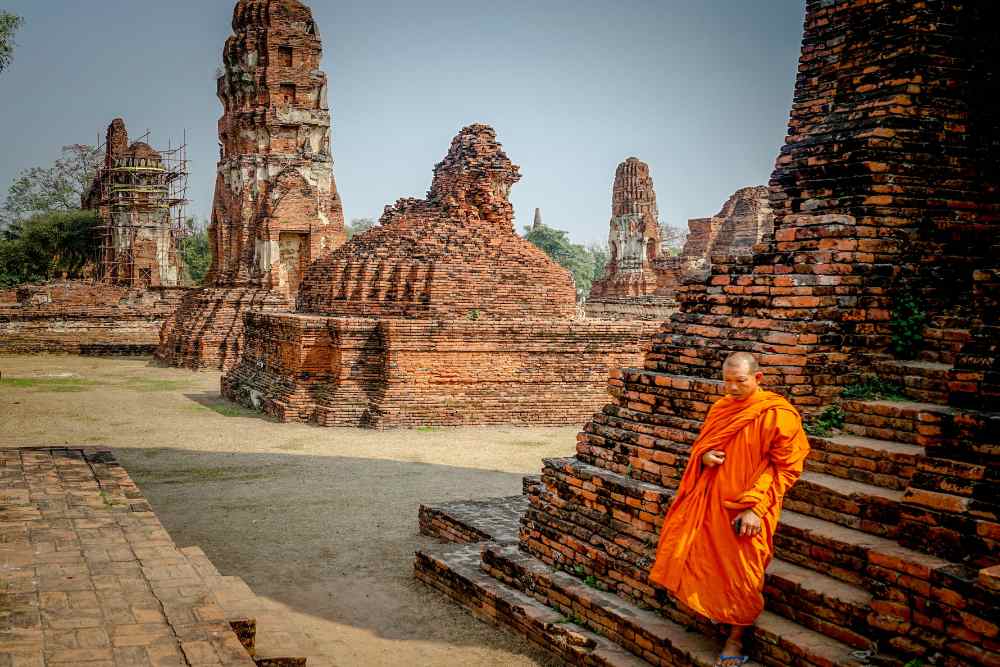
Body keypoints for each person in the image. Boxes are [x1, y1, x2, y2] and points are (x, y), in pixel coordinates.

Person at [648, 352, 810, 667]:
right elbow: (702, 446)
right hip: (713, 501)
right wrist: (705, 456)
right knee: (704, 559)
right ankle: (718, 615)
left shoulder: (778, 415)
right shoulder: (721, 408)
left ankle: (735, 639)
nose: (733, 388)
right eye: (728, 381)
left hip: (748, 508)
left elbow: (785, 469)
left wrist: (755, 508)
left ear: (758, 379)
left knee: (744, 572)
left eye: (741, 381)